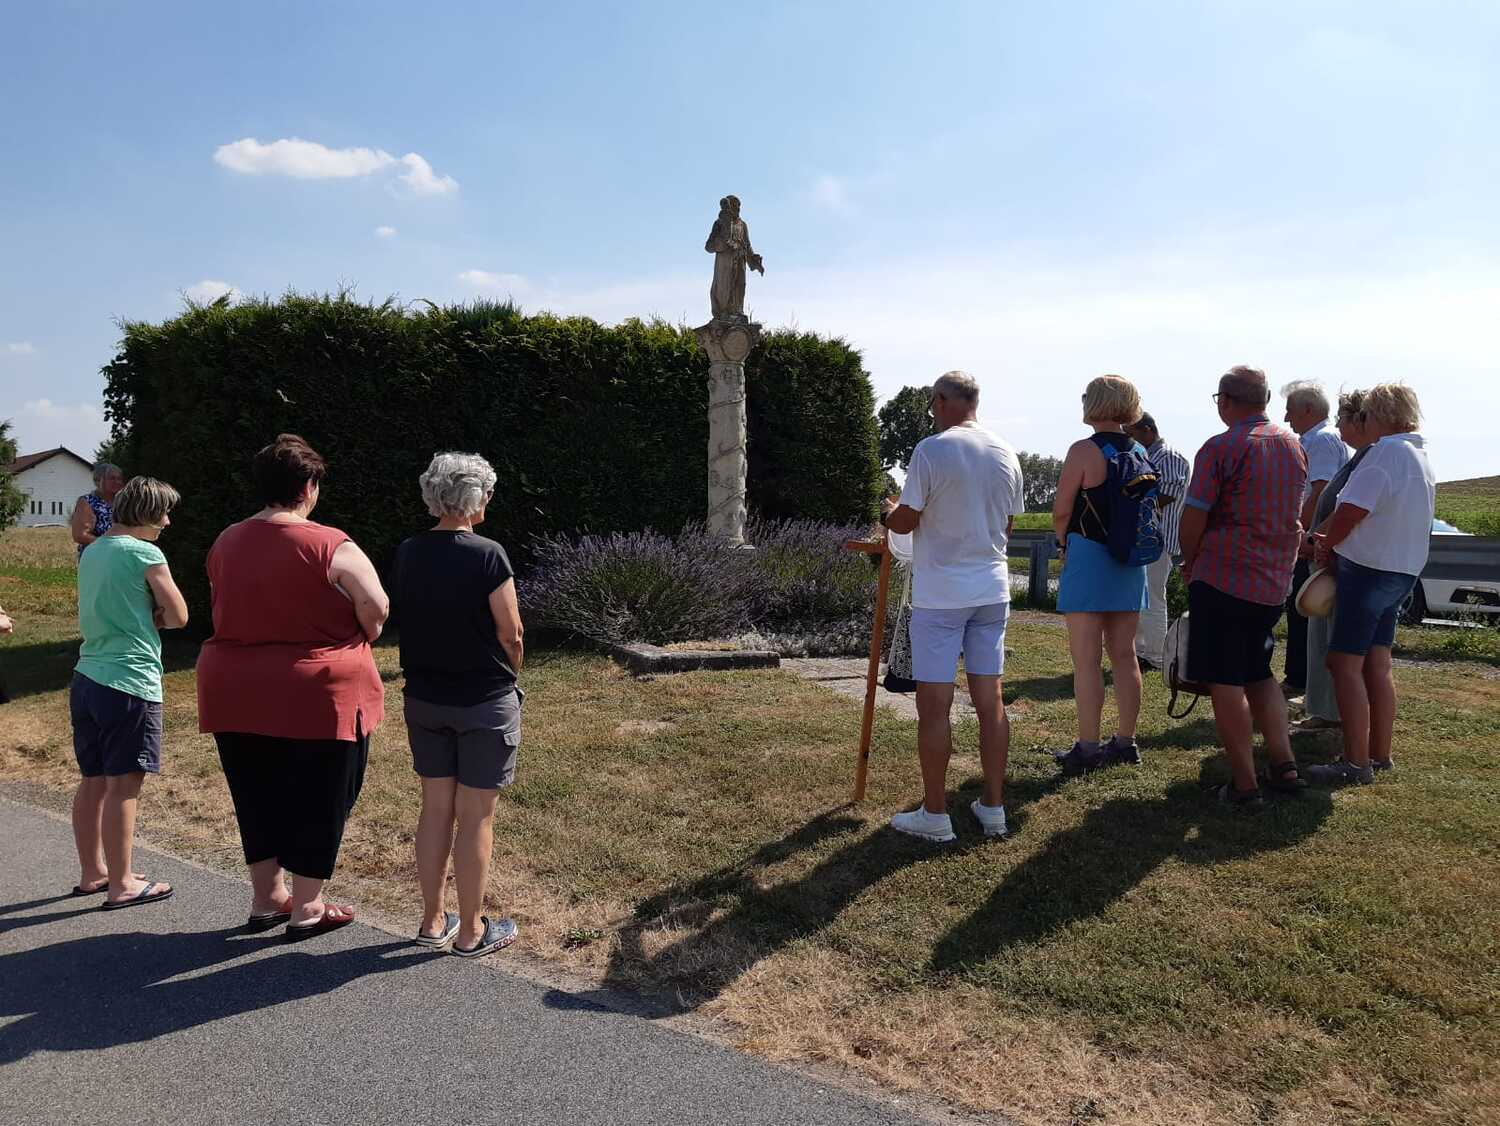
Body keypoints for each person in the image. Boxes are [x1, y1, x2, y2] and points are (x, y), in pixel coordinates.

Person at [196, 434, 389, 939]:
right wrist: (363, 633)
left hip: (234, 688)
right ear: (307, 487)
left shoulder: (226, 540)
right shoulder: (331, 544)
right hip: (316, 692)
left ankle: (267, 897)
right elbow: (376, 608)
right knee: (323, 794)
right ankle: (307, 906)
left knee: (255, 793)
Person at [881, 371, 1024, 842]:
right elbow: (1007, 527)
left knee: (935, 705)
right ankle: (994, 807)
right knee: (990, 701)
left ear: (942, 401)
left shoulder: (931, 449)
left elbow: (906, 519)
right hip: (992, 589)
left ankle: (936, 813)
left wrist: (887, 512)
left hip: (942, 594)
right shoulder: (1006, 452)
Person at [392, 453, 523, 958]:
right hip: (483, 700)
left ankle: (432, 920)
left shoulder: (408, 551)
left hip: (425, 698)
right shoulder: (488, 554)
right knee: (475, 818)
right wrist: (514, 672)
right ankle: (470, 930)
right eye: (488, 493)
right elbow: (511, 632)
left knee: (434, 809)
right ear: (475, 497)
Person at [1178, 366, 1307, 809]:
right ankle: (1284, 765)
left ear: (1226, 401)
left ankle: (1244, 784)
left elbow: (1194, 515)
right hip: (1272, 581)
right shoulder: (1293, 445)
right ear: (1266, 399)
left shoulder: (1221, 447)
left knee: (1225, 679)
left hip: (1224, 577)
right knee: (1259, 671)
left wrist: (1189, 561)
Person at [1307, 384, 1435, 786]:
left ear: (1378, 416)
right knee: (1377, 663)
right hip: (1401, 571)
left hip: (1367, 569)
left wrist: (1325, 546)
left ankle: (1355, 761)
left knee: (1343, 663)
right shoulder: (1419, 455)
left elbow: (1350, 511)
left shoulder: (1384, 453)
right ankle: (1379, 753)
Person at [69, 476, 188, 907]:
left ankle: (94, 873)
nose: (167, 522)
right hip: (129, 681)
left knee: (94, 780)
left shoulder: (94, 550)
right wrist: (154, 617)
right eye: (164, 514)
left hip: (87, 676)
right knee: (125, 785)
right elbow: (178, 615)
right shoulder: (144, 553)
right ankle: (122, 884)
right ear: (146, 514)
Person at [1052, 375, 1150, 773]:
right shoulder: (1140, 450)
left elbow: (1062, 509)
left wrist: (1062, 543)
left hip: (1089, 557)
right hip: (1129, 562)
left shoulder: (1082, 451)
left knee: (1087, 660)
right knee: (1125, 655)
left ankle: (1088, 747)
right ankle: (1126, 741)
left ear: (1092, 403)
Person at [1293, 391, 1373, 733]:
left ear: (1359, 421)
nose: (1338, 424)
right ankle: (1325, 709)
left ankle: (1330, 713)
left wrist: (1313, 540)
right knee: (1322, 636)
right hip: (1332, 556)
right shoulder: (1360, 458)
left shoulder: (1368, 459)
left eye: (1343, 417)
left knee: (1331, 641)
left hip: (1337, 558)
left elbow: (1344, 509)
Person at [1281, 382, 1350, 698]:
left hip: (1309, 537)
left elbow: (1320, 490)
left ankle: (1299, 679)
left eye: (1290, 410)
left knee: (1302, 608)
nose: (1286, 418)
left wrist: (1303, 533)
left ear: (1308, 410)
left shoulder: (1320, 440)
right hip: (1314, 534)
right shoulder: (1321, 439)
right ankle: (1301, 678)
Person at [1124, 411, 1190, 672]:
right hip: (1145, 537)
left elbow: (1166, 494)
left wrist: (1129, 501)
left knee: (1152, 597)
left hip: (1158, 538)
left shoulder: (1169, 456)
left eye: (1132, 433)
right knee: (1142, 596)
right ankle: (1142, 650)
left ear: (1147, 430)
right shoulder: (1147, 455)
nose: (1130, 439)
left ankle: (1155, 655)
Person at [70, 462, 125, 556]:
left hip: (121, 555)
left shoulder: (124, 502)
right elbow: (80, 535)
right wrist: (110, 545)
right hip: (96, 555)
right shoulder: (87, 502)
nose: (117, 482)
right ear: (98, 481)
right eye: (112, 478)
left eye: (119, 478)